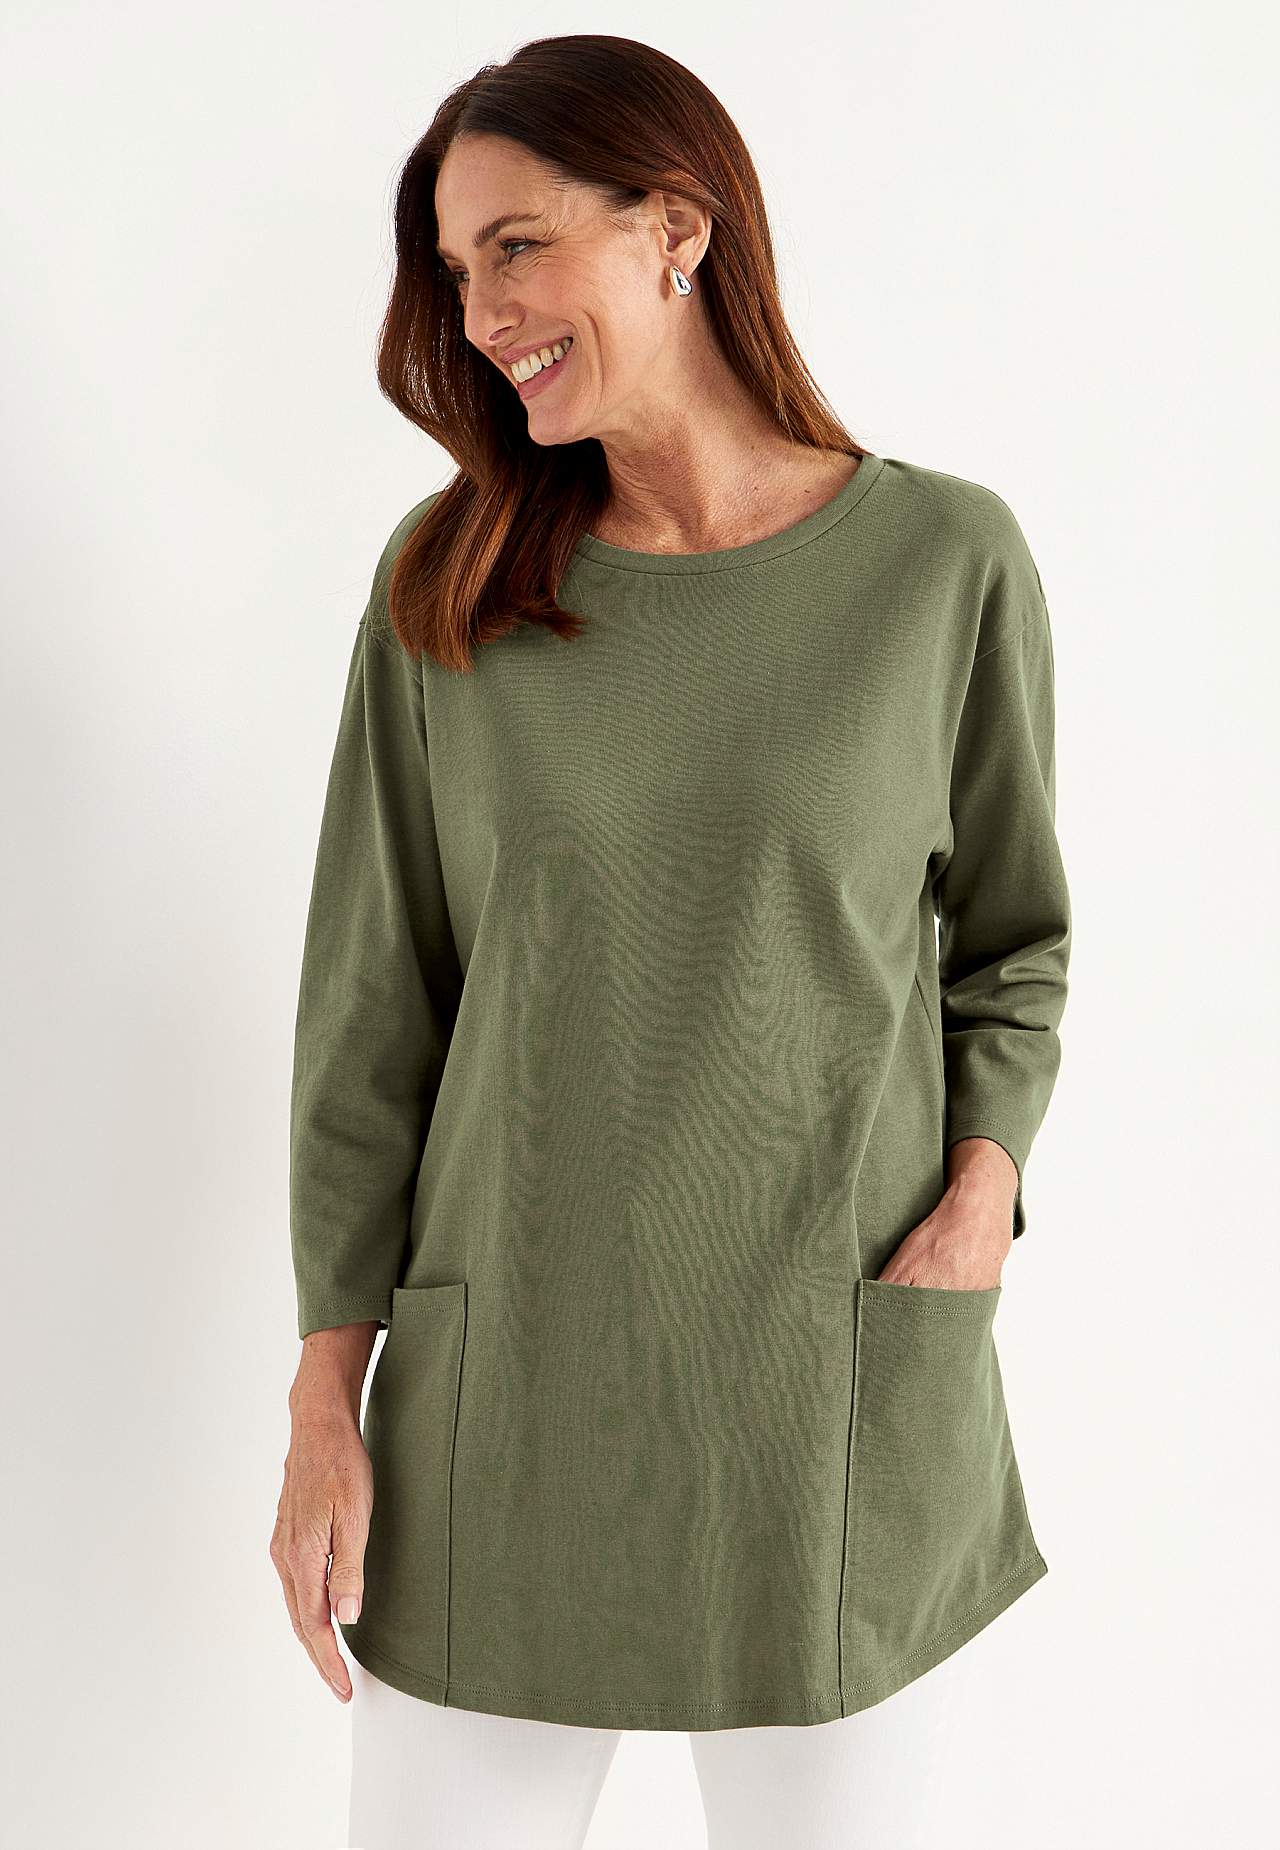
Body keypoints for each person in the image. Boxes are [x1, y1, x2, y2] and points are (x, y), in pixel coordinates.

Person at [270, 33, 1072, 1850]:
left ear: (678, 230)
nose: (482, 313)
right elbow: (368, 1021)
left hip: (829, 1410)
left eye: (519, 246)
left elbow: (1014, 943)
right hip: (504, 1421)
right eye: (456, 269)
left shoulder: (943, 563)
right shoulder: (446, 588)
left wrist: (980, 1195)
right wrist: (326, 1402)